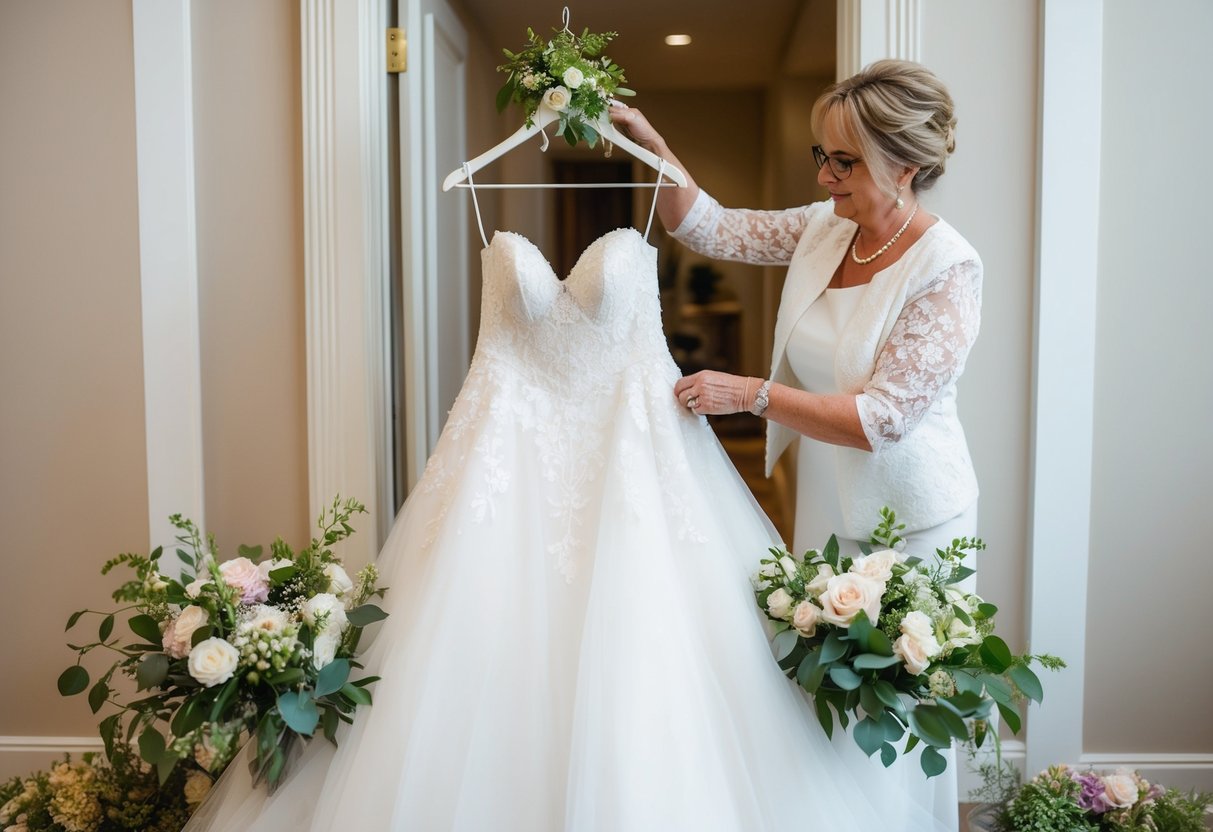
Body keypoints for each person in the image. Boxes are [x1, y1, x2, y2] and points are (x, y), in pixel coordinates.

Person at [610, 58, 981, 828]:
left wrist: (747, 394)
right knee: (820, 690)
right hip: (823, 502)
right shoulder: (823, 228)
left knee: (898, 709)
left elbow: (882, 419)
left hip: (911, 520)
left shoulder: (947, 268)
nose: (822, 178)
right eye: (821, 156)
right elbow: (705, 224)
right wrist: (653, 145)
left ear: (903, 164)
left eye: (841, 161)